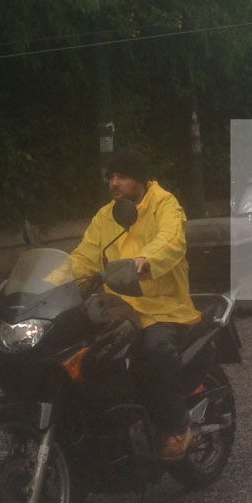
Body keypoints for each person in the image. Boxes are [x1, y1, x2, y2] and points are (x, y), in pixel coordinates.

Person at [70, 149, 201, 461]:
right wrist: (54, 279)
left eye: (122, 176)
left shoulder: (163, 204)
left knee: (156, 350)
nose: (114, 183)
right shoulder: (106, 215)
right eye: (111, 177)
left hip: (161, 306)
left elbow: (171, 241)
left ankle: (175, 426)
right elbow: (84, 257)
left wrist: (145, 260)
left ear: (139, 179)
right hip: (114, 308)